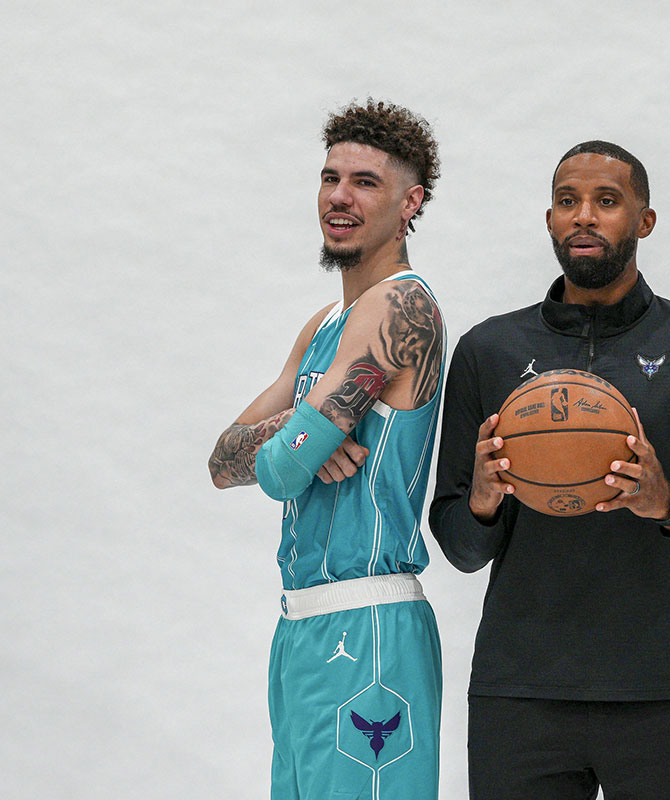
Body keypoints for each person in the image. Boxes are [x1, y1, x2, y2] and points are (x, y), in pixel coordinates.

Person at [429, 141, 670, 799]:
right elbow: (459, 549)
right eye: (567, 201)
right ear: (550, 219)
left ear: (644, 220)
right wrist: (482, 502)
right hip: (520, 690)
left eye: (606, 201)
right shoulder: (488, 351)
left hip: (669, 691)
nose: (583, 216)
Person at [207, 100, 445, 800]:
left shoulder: (403, 309)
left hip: (369, 628)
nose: (339, 196)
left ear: (411, 202)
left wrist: (291, 443)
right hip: (301, 631)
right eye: (330, 177)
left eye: (366, 182)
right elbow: (222, 461)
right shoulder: (327, 321)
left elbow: (279, 474)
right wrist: (300, 433)